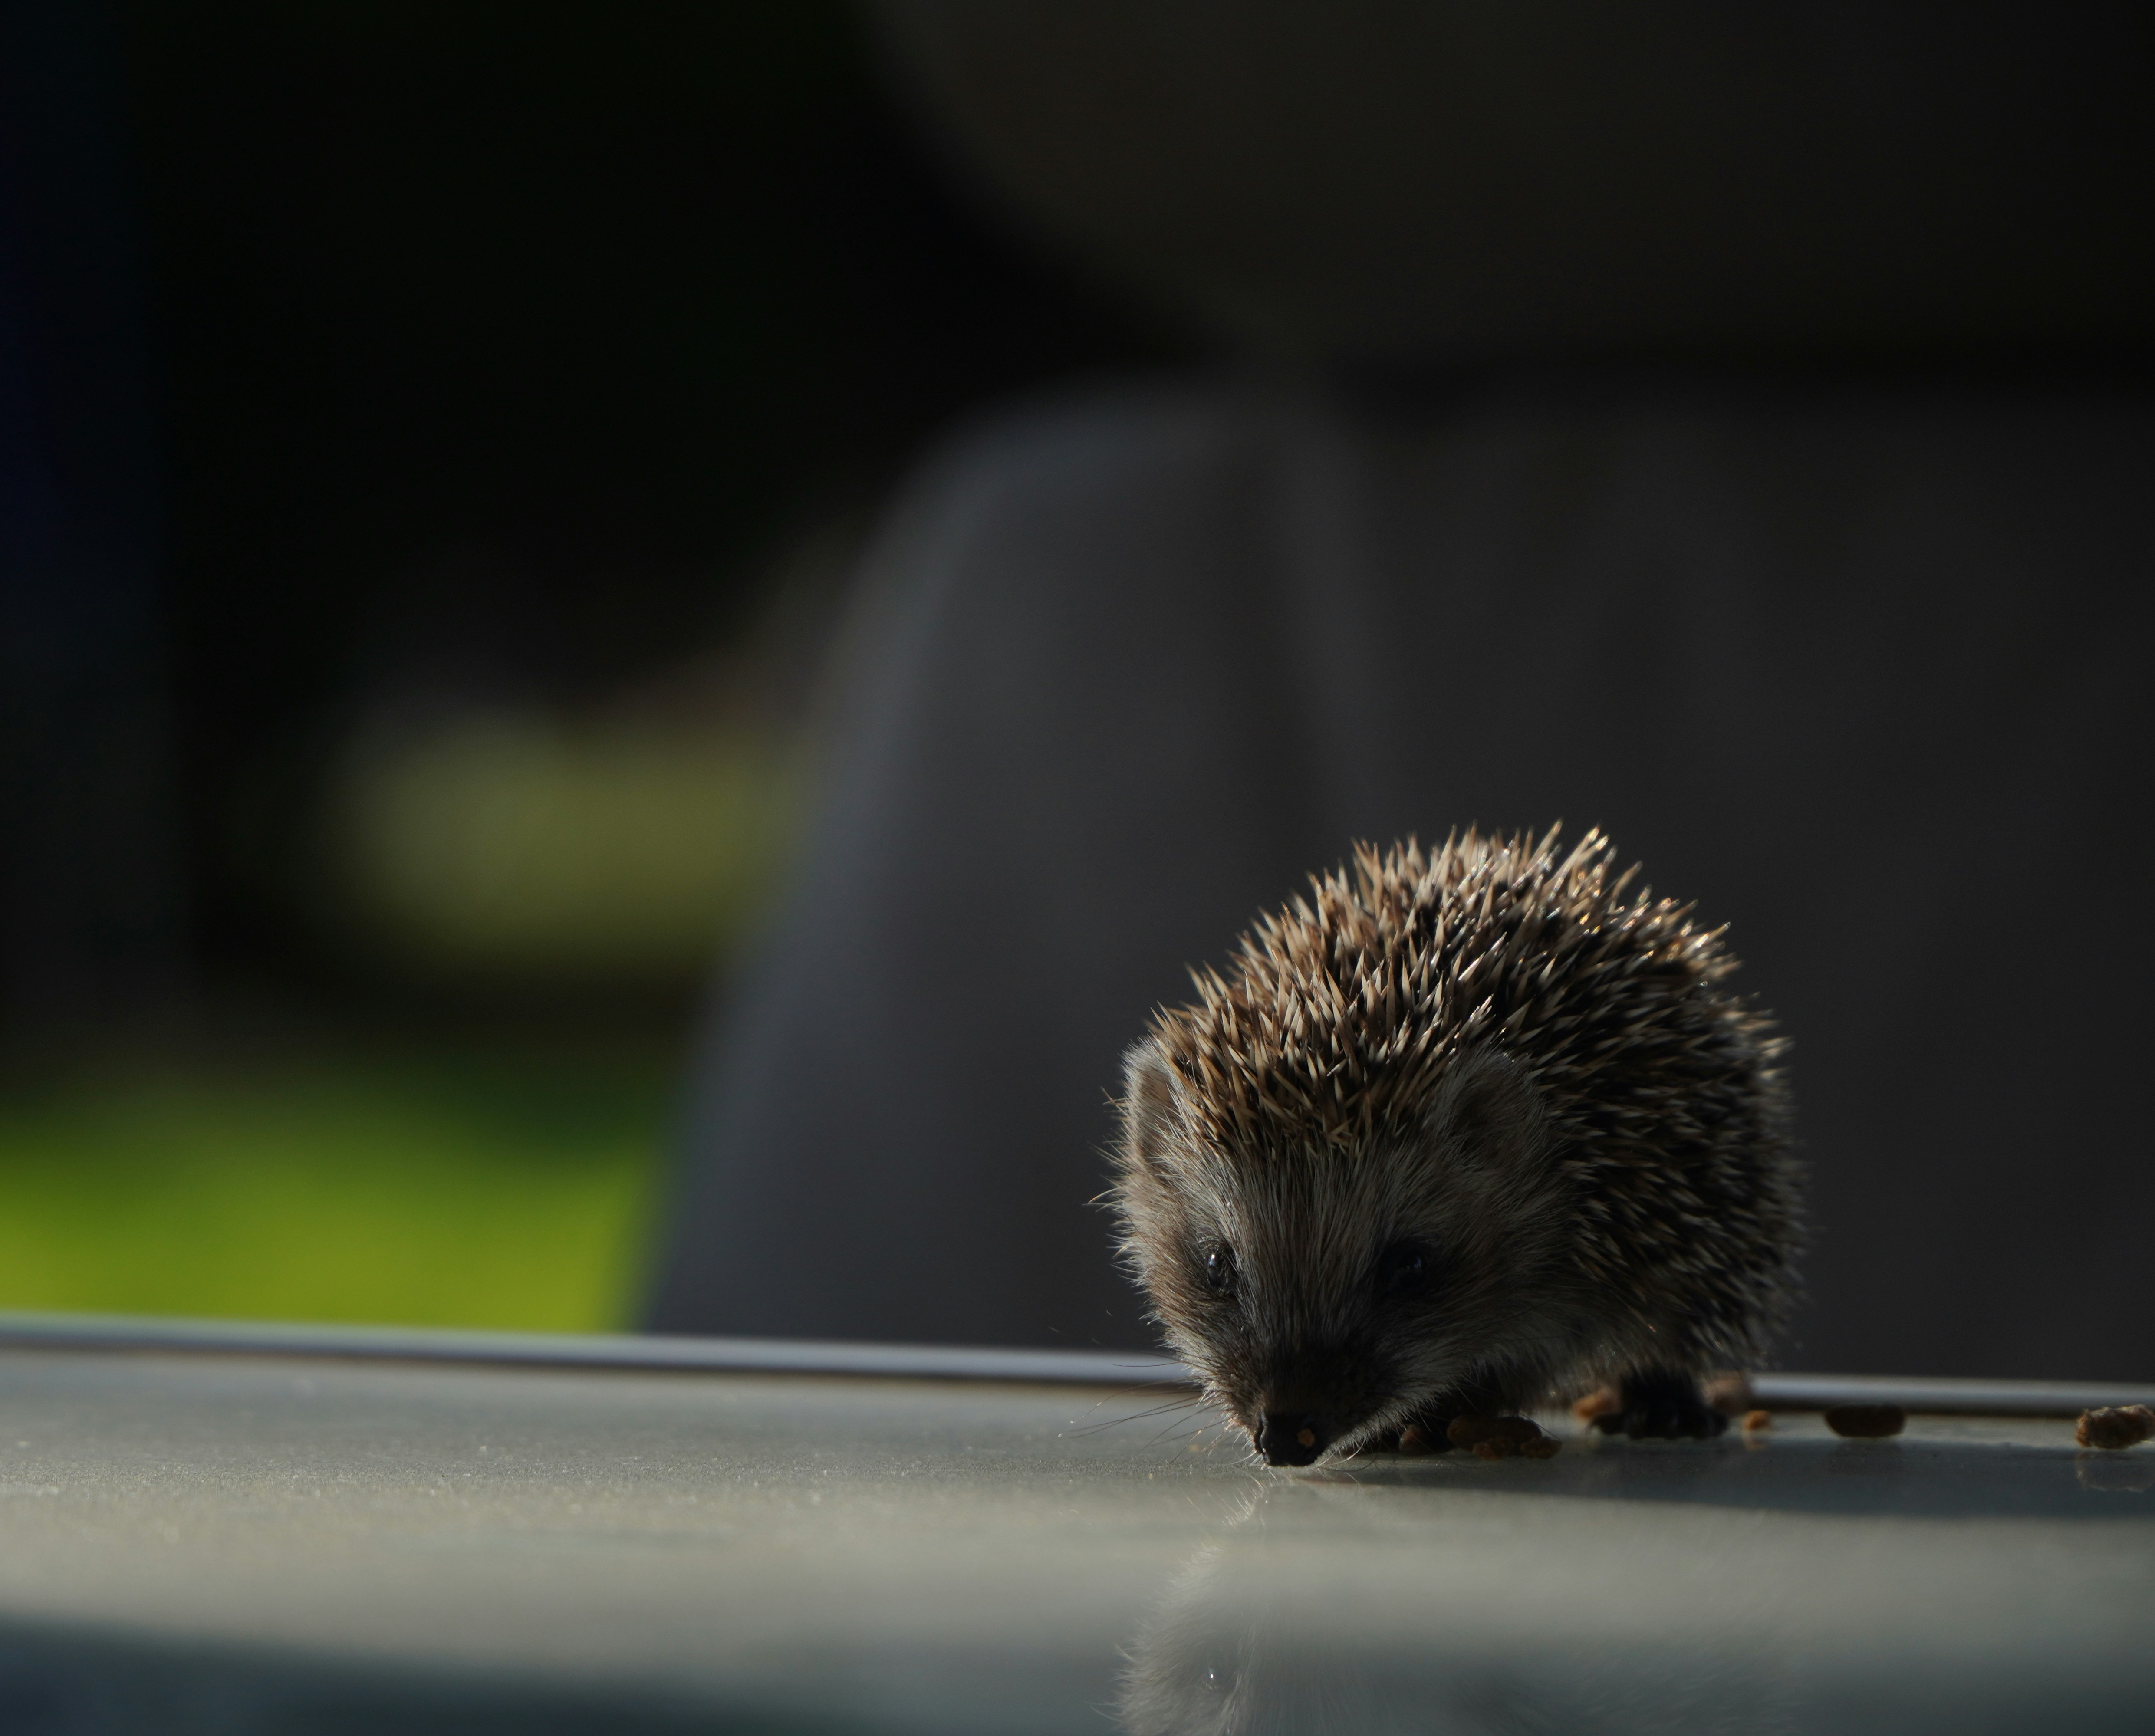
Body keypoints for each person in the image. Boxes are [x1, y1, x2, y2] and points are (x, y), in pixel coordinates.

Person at [647, 1, 2155, 1382]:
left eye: (1410, 1273)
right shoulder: (1051, 551)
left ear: (1502, 1149)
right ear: (1155, 1166)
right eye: (1224, 1283)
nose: (1292, 1382)